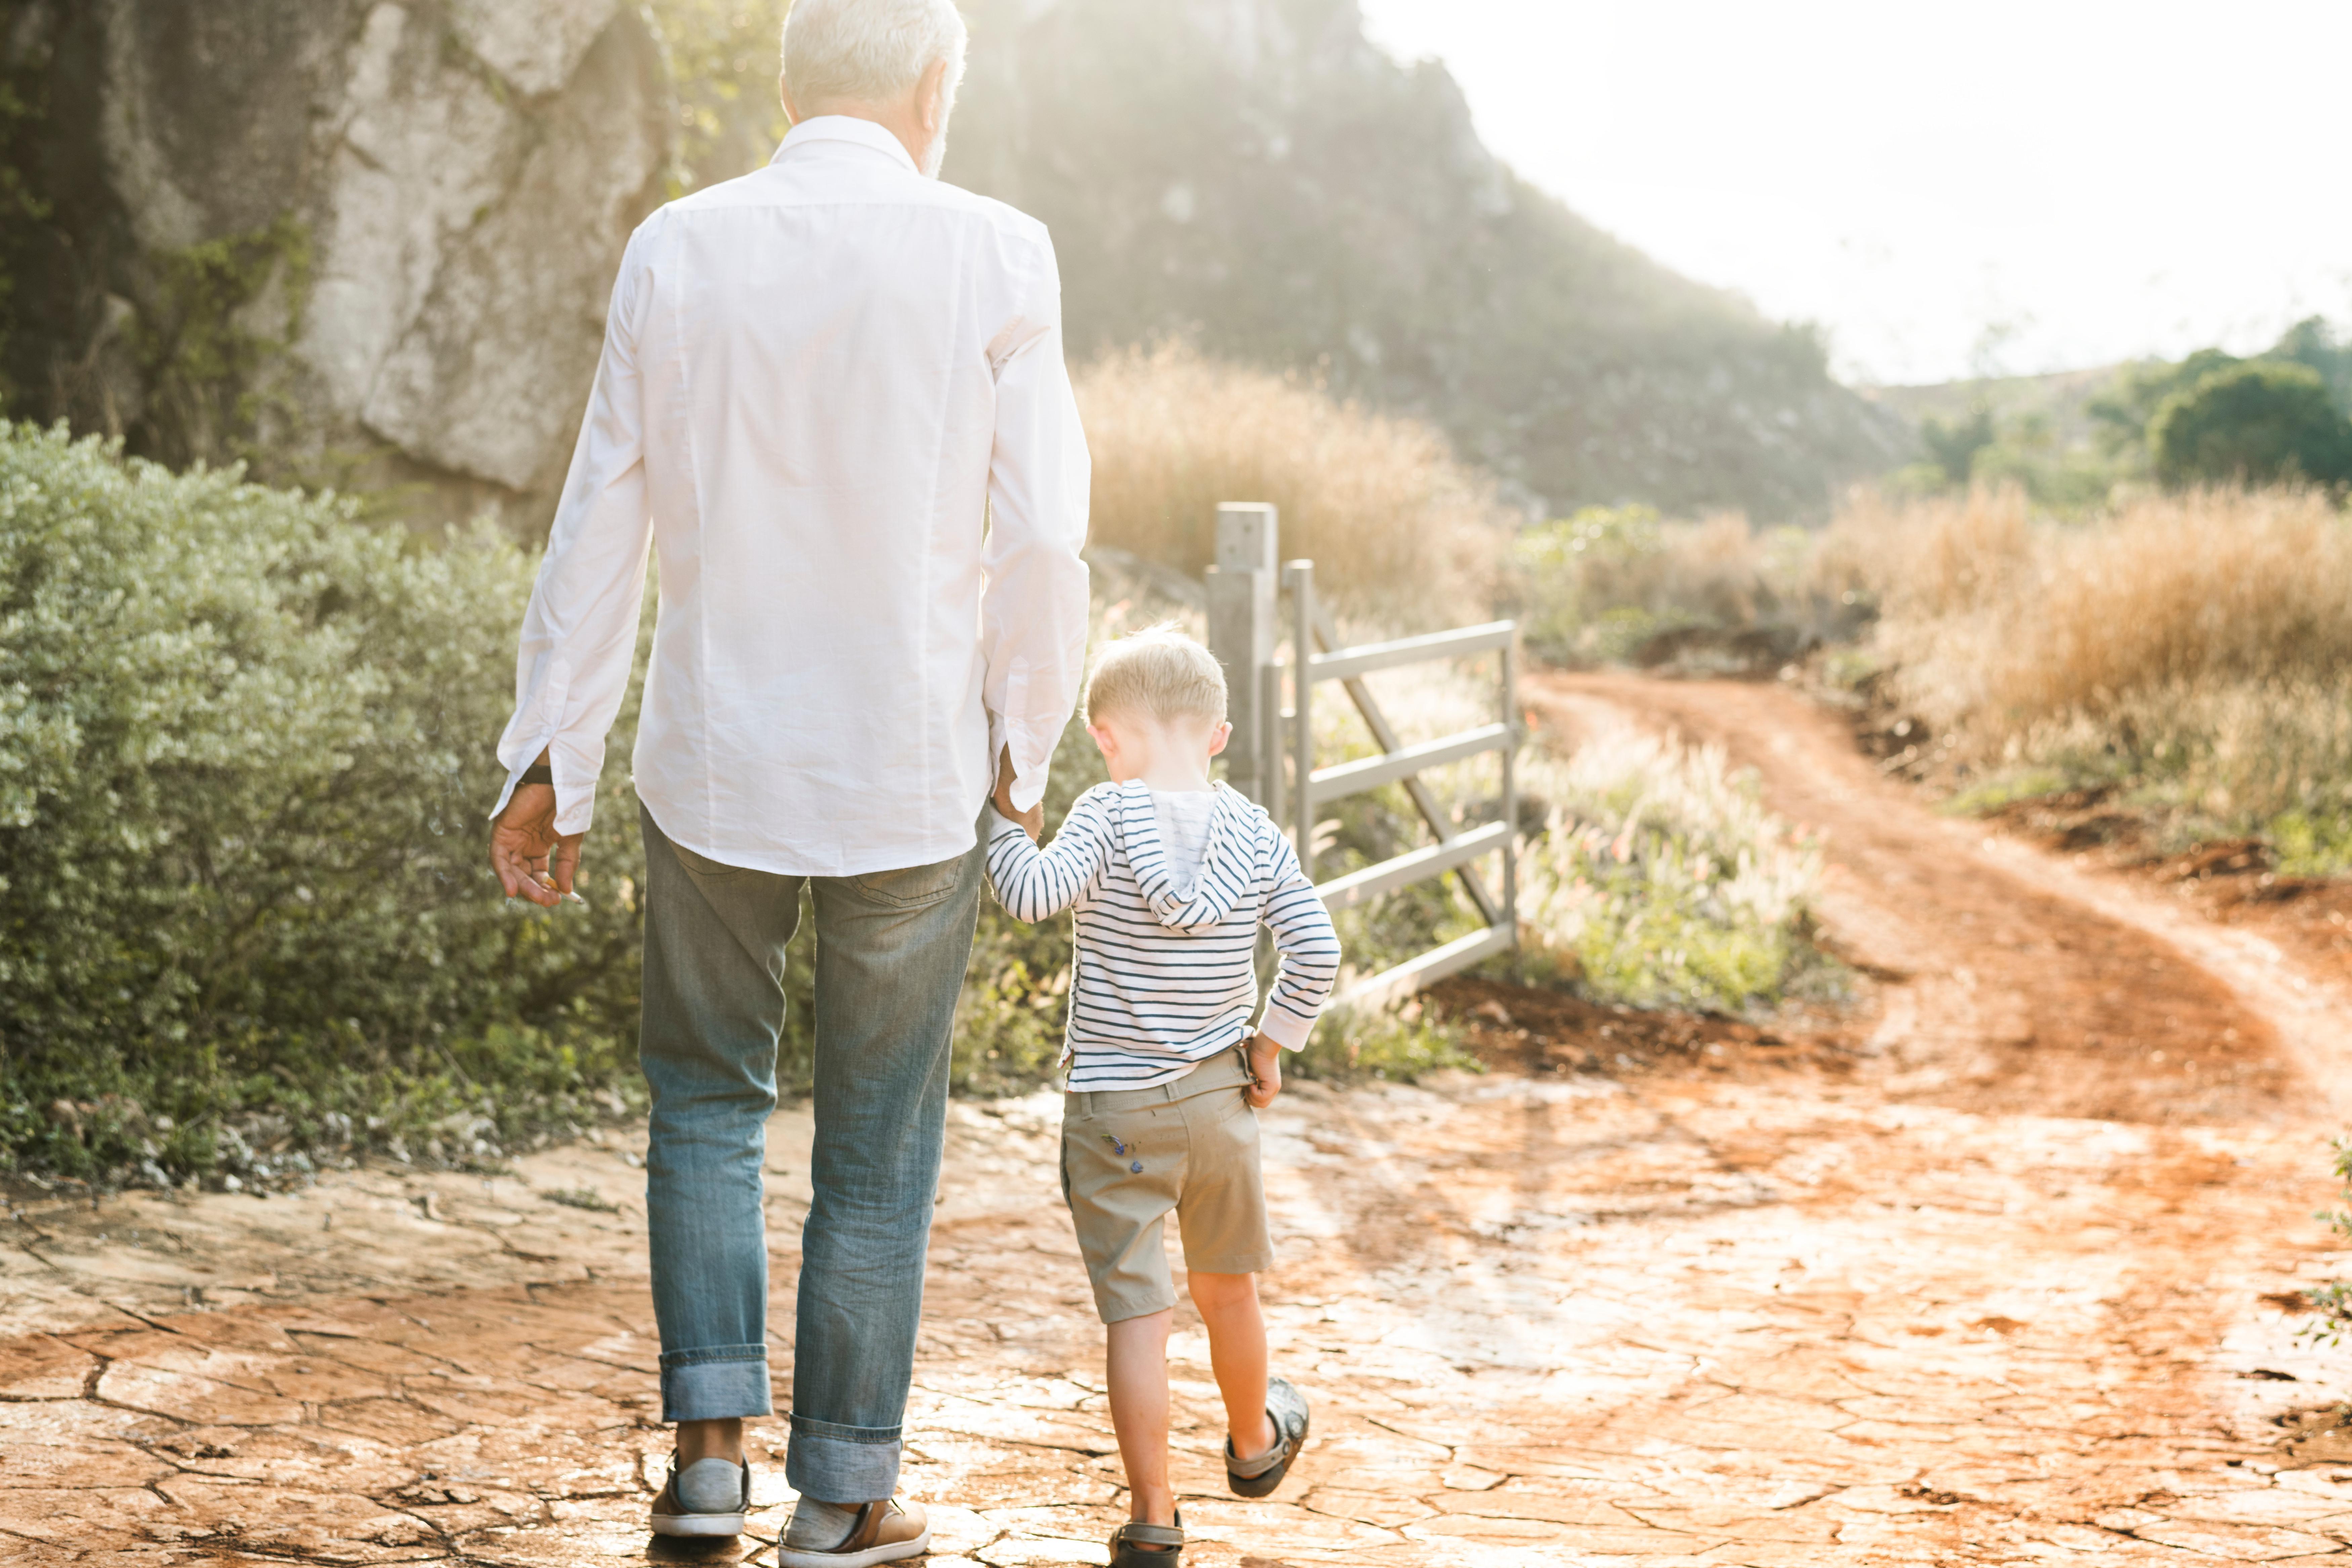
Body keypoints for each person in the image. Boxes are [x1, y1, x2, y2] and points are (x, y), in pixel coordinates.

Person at [483, 0, 1090, 1560]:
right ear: (934, 87)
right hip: (911, 771)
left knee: (702, 1106)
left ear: (784, 86)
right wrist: (1024, 741)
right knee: (879, 1142)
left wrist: (551, 755)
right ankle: (845, 1496)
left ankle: (703, 1467)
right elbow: (1042, 541)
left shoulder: (676, 249)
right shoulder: (997, 250)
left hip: (713, 764)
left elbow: (595, 523)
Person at [983, 627, 1341, 1566]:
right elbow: (1318, 950)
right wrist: (1270, 1041)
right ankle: (1256, 1443)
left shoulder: (1104, 816)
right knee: (1230, 1291)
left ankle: (1152, 1514)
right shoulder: (1255, 831)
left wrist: (1000, 817)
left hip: (1114, 1114)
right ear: (1218, 734)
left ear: (1105, 735)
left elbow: (1029, 894)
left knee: (1139, 1316)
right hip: (1220, 1104)